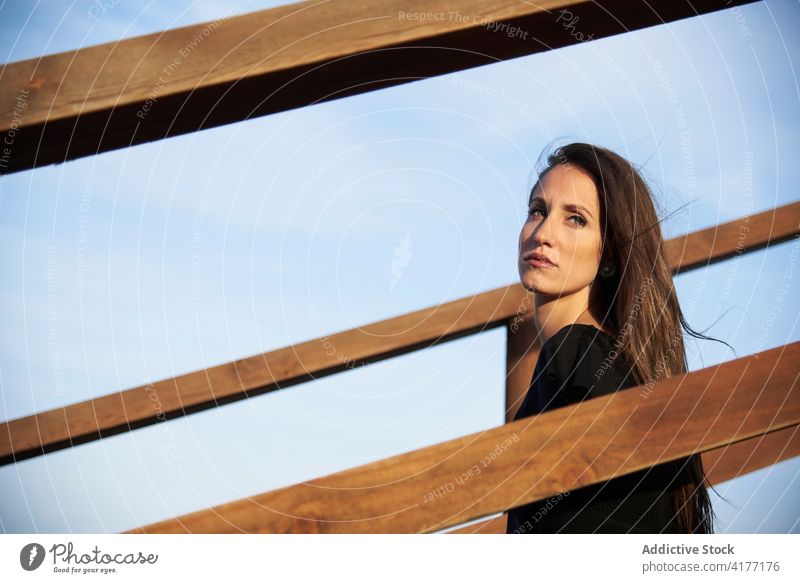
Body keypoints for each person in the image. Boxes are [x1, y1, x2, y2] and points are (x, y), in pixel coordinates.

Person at [505, 142, 731, 534]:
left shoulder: (578, 353)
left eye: (575, 219)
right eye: (538, 210)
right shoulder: (604, 357)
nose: (543, 233)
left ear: (608, 252)